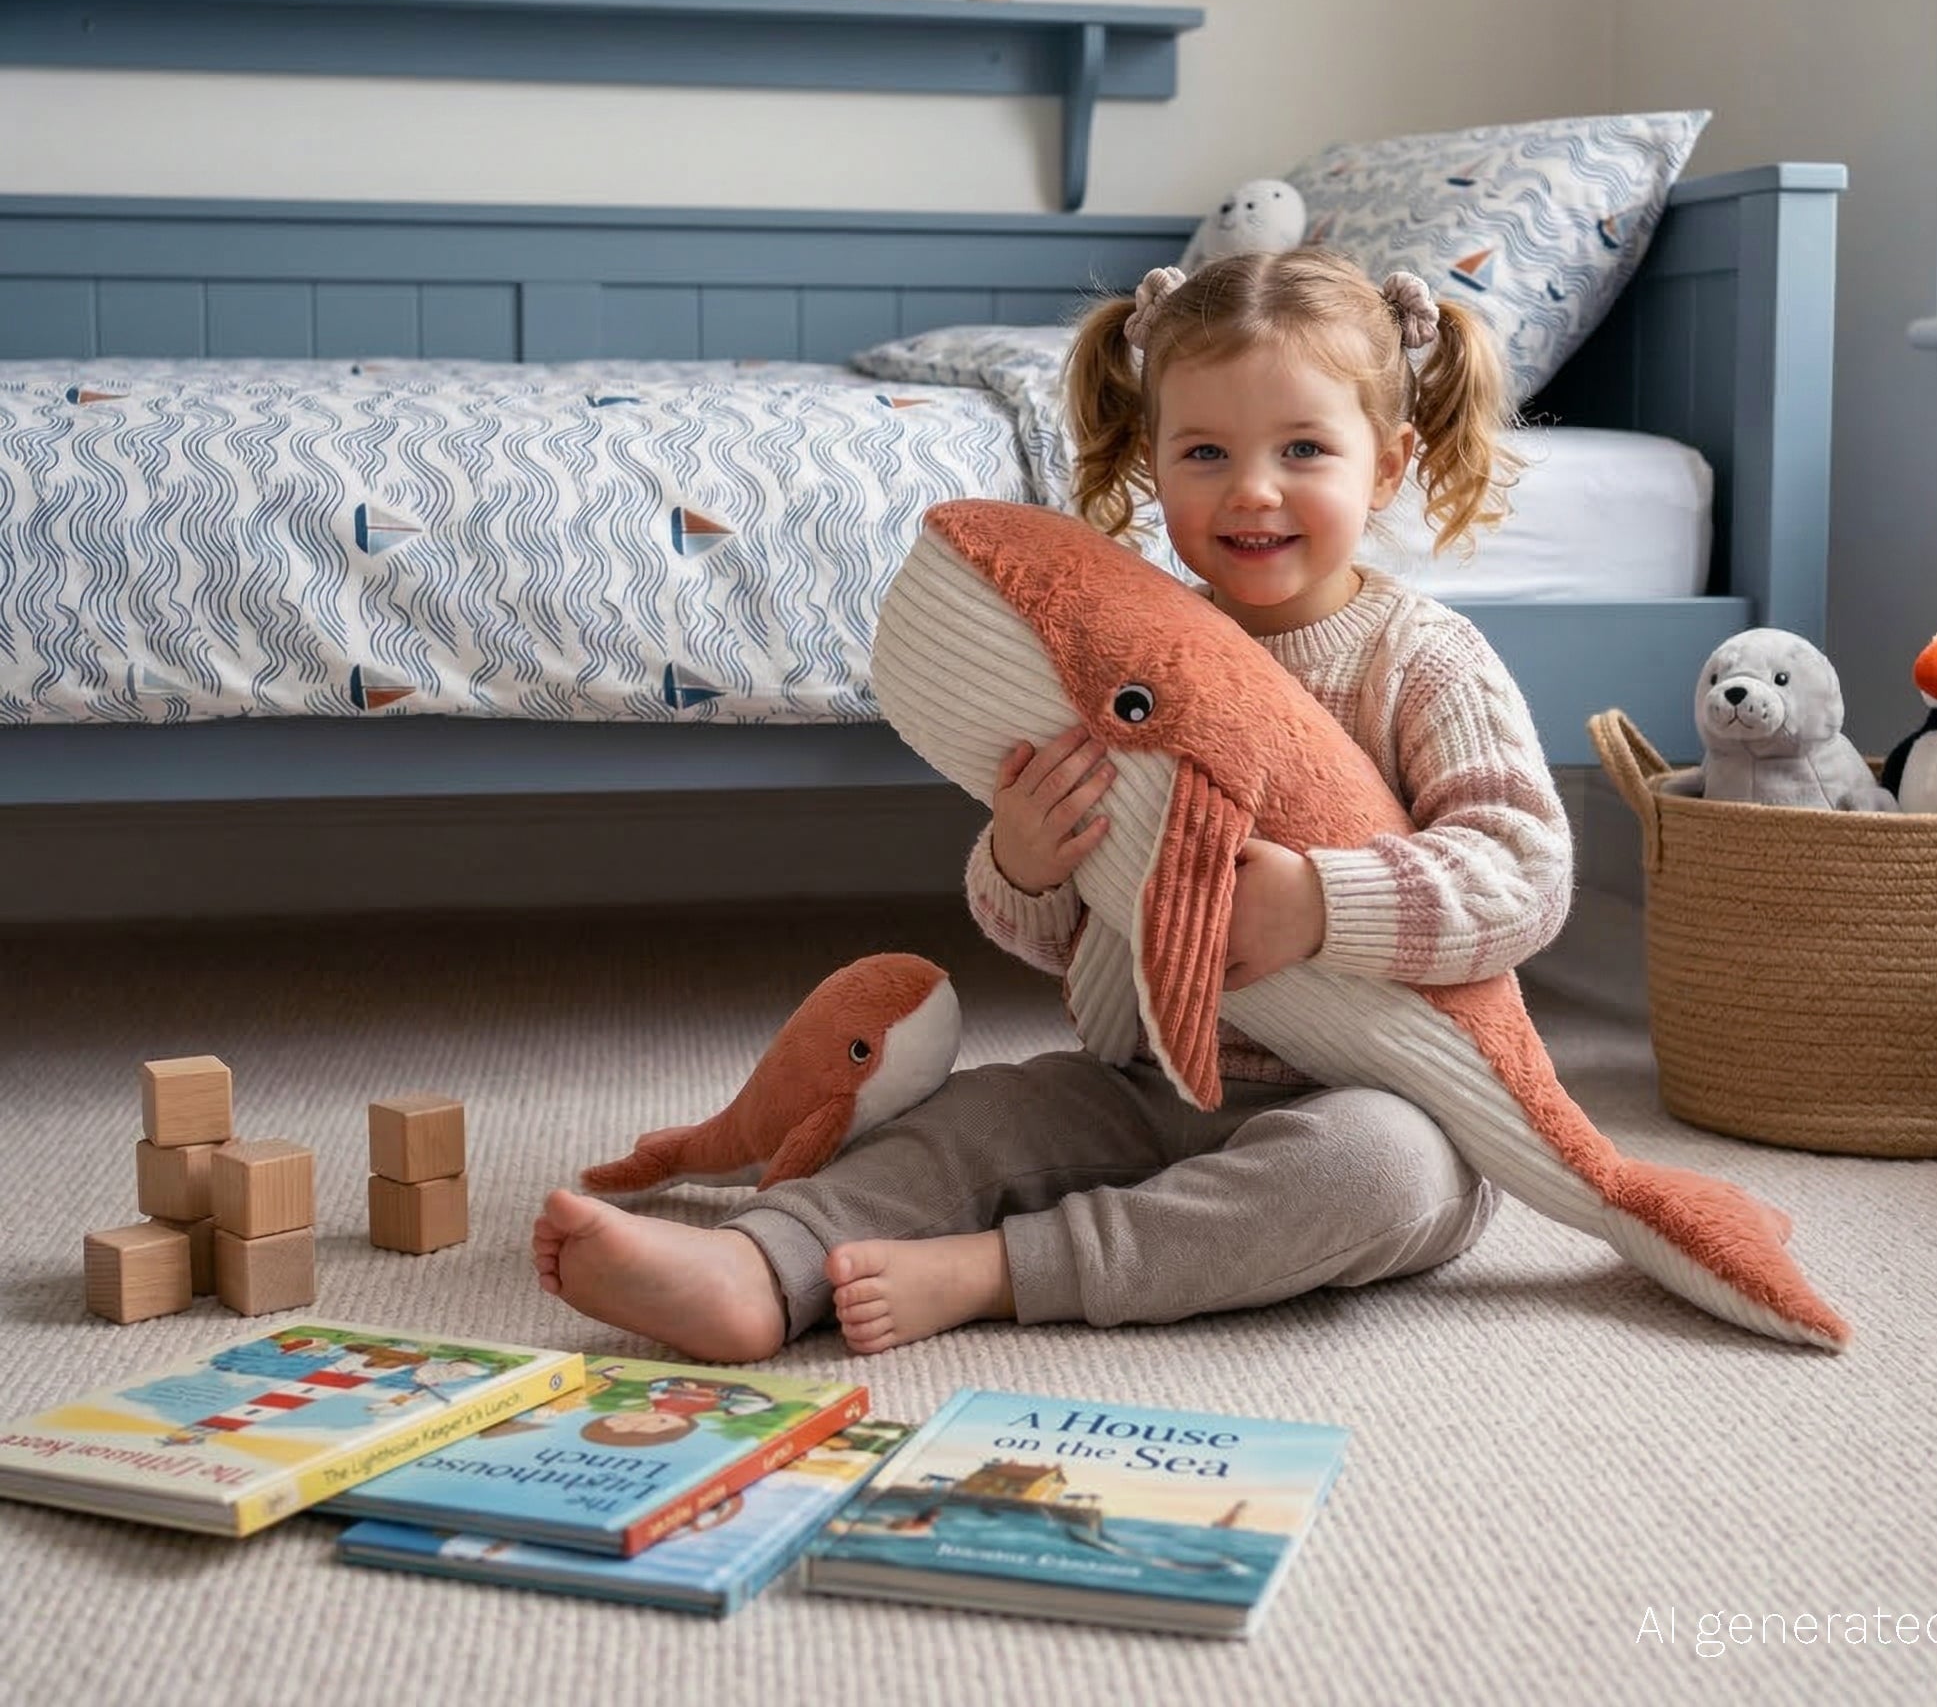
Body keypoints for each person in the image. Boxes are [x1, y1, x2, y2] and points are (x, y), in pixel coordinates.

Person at [532, 248, 1573, 1361]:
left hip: (1377, 1095)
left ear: (1387, 464)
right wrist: (1024, 863)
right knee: (984, 1116)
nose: (1251, 490)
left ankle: (1003, 1271)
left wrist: (1324, 902)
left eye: (1303, 449)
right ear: (1151, 462)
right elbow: (1072, 927)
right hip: (1146, 1085)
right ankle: (762, 1261)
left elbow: (1524, 871)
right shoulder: (1127, 655)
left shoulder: (1419, 660)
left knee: (1379, 1172)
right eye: (1205, 452)